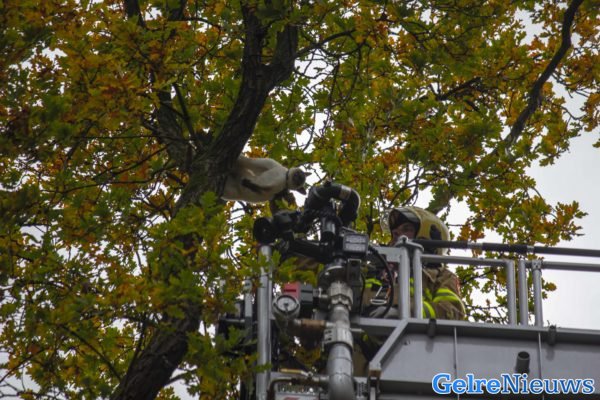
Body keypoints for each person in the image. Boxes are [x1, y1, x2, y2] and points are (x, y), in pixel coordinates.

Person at [363, 206, 465, 320]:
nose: (395, 233)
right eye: (394, 230)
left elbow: (451, 311)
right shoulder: (369, 270)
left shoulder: (442, 276)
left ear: (426, 239)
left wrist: (404, 312)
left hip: (413, 330)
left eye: (406, 229)